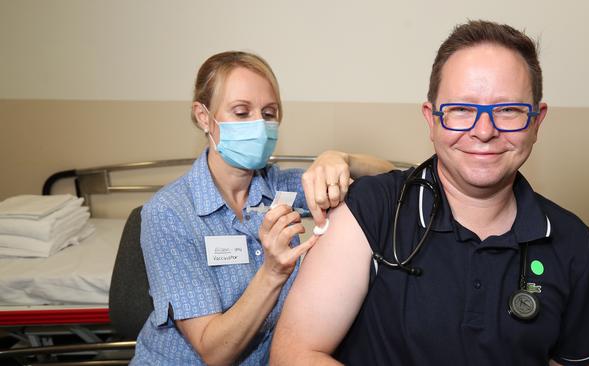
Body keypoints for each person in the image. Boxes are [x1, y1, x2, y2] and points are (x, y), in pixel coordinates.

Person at [271, 20, 589, 366]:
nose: (484, 131)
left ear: (537, 122)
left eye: (509, 110)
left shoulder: (570, 240)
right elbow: (293, 355)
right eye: (462, 109)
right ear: (431, 120)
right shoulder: (372, 210)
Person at [130, 51, 394, 365]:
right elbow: (214, 352)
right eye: (242, 112)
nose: (259, 125)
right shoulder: (169, 213)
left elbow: (390, 182)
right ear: (204, 117)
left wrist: (340, 158)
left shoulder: (281, 189)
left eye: (269, 113)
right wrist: (273, 272)